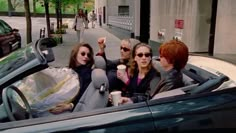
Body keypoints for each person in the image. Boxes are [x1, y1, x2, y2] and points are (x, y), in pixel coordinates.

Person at [49, 43, 94, 114]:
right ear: (75, 54)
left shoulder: (86, 73)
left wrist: (69, 106)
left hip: (69, 108)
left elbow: (83, 94)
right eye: (83, 54)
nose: (86, 57)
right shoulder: (73, 70)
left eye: (88, 55)